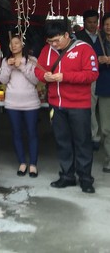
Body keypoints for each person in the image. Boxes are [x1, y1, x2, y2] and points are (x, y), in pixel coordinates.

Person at [34, 20, 98, 194]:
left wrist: (65, 76)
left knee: (82, 142)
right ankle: (67, 175)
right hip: (56, 104)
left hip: (79, 105)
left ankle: (85, 178)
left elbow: (92, 74)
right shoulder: (46, 50)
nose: (54, 45)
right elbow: (38, 69)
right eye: (50, 41)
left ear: (66, 35)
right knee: (62, 141)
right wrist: (45, 76)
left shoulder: (84, 49)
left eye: (56, 41)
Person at [0, 33, 40, 177]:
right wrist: (9, 67)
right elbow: (3, 80)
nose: (14, 46)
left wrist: (21, 66)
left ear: (23, 44)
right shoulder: (5, 61)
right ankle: (22, 162)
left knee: (32, 132)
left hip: (31, 103)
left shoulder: (32, 60)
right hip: (12, 103)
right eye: (11, 44)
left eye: (17, 43)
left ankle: (33, 164)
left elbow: (35, 80)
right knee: (16, 133)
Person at [75, 9, 101, 151]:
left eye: (95, 22)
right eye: (89, 22)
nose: (92, 25)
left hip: (104, 75)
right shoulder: (77, 37)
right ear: (84, 22)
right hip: (89, 77)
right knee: (90, 107)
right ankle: (93, 136)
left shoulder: (103, 35)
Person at [93, 13, 110, 174]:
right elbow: (92, 62)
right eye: (106, 24)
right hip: (105, 87)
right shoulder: (99, 41)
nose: (108, 26)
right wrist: (97, 60)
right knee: (106, 128)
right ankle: (109, 159)